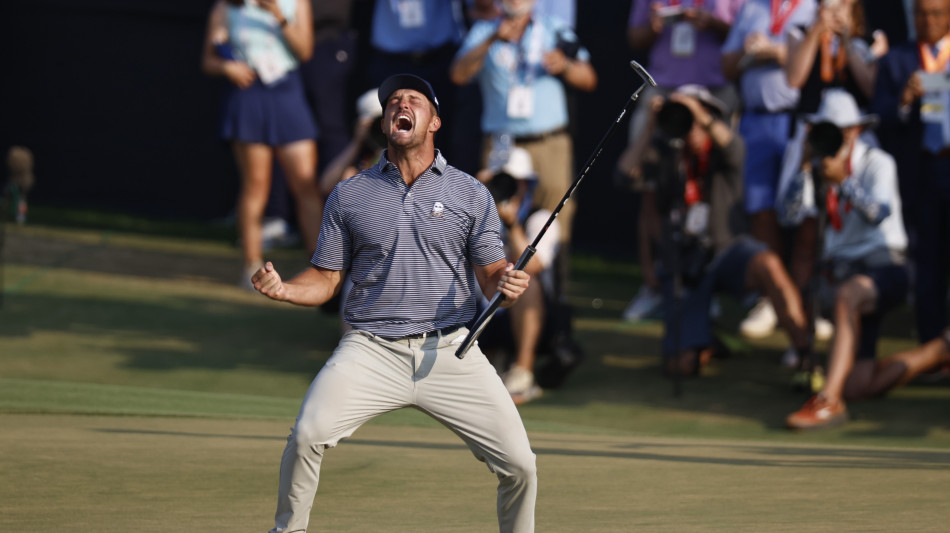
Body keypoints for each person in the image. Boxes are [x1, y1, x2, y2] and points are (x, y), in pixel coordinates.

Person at [252, 74, 537, 533]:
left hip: (452, 352)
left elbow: (492, 278)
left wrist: (507, 284)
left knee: (520, 466)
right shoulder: (350, 194)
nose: (399, 105)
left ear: (435, 122)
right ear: (386, 123)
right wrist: (286, 289)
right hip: (370, 349)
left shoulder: (470, 194)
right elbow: (325, 279)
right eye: (392, 102)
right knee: (306, 436)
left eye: (413, 100)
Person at [637, 85, 812, 376]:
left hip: (727, 252)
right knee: (680, 367)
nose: (692, 126)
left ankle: (805, 351)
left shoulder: (726, 154)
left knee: (768, 262)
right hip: (685, 261)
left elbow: (734, 146)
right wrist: (650, 126)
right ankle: (708, 340)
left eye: (699, 117)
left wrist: (697, 113)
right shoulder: (667, 154)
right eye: (687, 118)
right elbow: (625, 175)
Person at [449, 0, 598, 302]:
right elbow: (458, 74)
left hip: (549, 142)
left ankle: (557, 313)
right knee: (493, 224)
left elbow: (589, 78)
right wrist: (493, 40)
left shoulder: (553, 30)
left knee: (555, 222)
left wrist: (565, 66)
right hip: (502, 142)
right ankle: (494, 314)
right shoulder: (484, 30)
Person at [781, 89, 909, 430]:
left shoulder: (878, 162)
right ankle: (941, 350)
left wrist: (844, 182)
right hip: (843, 276)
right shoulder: (817, 167)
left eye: (838, 130)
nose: (833, 138)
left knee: (846, 294)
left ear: (854, 131)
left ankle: (829, 401)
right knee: (860, 386)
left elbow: (878, 214)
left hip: (885, 267)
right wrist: (804, 167)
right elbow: (789, 216)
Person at [619, 0, 745, 322]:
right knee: (648, 191)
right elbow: (636, 37)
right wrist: (656, 25)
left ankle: (705, 286)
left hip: (714, 93)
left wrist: (712, 23)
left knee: (714, 186)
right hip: (662, 91)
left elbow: (743, 39)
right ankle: (655, 286)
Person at [201, 0, 324, 286]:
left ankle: (321, 266)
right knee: (255, 185)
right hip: (249, 95)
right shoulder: (226, 7)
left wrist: (278, 15)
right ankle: (252, 267)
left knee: (306, 184)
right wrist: (226, 67)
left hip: (287, 91)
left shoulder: (297, 3)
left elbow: (305, 50)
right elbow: (208, 59)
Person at [720, 0, 817, 339]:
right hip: (755, 121)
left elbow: (822, 63)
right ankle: (771, 296)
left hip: (796, 120)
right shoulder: (751, 8)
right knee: (761, 213)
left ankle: (802, 301)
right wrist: (749, 55)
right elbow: (727, 65)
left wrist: (777, 53)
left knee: (804, 216)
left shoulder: (813, 9)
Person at [871, 0, 950, 349]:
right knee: (928, 262)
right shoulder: (896, 60)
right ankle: (931, 346)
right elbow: (879, 116)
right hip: (921, 173)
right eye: (921, 13)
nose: (928, 21)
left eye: (936, 13)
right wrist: (903, 100)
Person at [477, 147, 561, 404]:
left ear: (526, 184)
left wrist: (512, 225)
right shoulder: (474, 216)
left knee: (525, 281)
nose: (507, 187)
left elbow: (534, 265)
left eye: (513, 181)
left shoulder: (541, 218)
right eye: (499, 181)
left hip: (533, 316)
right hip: (481, 309)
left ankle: (522, 372)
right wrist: (472, 194)